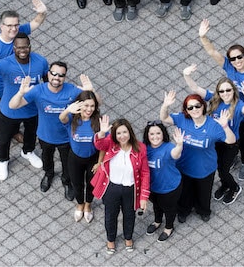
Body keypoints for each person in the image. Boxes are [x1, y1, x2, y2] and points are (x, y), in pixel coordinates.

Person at [0, 0, 48, 160]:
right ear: (2, 26)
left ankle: (14, 133)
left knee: (17, 115)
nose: (14, 28)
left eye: (16, 25)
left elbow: (36, 22)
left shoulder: (19, 35)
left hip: (19, 87)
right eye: (9, 26)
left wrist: (42, 12)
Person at [197, 19, 244, 179]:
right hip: (232, 115)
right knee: (231, 141)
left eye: (239, 57)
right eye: (233, 59)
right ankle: (234, 157)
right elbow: (212, 52)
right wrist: (203, 37)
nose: (237, 61)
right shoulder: (229, 67)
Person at [10, 65, 91, 200]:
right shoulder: (38, 90)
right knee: (46, 158)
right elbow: (12, 106)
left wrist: (91, 91)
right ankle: (49, 174)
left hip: (67, 137)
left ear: (64, 77)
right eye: (54, 74)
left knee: (67, 163)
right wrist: (20, 93)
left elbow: (96, 103)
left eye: (61, 75)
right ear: (48, 74)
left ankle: (66, 181)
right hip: (45, 136)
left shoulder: (72, 91)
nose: (57, 78)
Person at [0, 33, 47, 181]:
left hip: (32, 109)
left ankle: (27, 152)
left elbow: (47, 83)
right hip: (10, 110)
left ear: (30, 47)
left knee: (31, 134)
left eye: (25, 47)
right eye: (19, 47)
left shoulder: (40, 61)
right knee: (4, 139)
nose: (22, 50)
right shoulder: (5, 63)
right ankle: (3, 160)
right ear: (14, 48)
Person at [159, 90, 235, 223]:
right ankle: (184, 210)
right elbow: (164, 119)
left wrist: (225, 126)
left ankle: (204, 210)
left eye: (197, 105)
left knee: (204, 193)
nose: (194, 109)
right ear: (186, 110)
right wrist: (165, 105)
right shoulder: (182, 119)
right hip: (184, 166)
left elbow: (231, 140)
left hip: (205, 169)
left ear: (203, 106)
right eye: (190, 107)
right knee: (185, 192)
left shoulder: (213, 125)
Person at [182, 67, 244, 203]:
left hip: (230, 143)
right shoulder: (214, 100)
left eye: (228, 90)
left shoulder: (238, 105)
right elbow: (196, 88)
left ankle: (234, 187)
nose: (225, 93)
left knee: (223, 170)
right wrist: (186, 75)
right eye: (222, 91)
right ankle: (225, 185)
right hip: (216, 141)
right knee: (217, 166)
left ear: (233, 90)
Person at [92, 116, 150, 255]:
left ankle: (128, 237)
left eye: (124, 132)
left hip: (131, 189)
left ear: (130, 132)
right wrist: (101, 133)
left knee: (130, 215)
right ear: (114, 135)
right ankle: (110, 239)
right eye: (118, 133)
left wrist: (143, 196)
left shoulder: (140, 148)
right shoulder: (110, 143)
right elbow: (99, 145)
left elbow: (145, 173)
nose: (122, 136)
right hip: (112, 187)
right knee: (110, 215)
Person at [59, 90, 101, 223]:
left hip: (92, 158)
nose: (89, 109)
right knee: (77, 184)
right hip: (75, 158)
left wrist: (99, 162)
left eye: (92, 106)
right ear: (79, 105)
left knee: (91, 184)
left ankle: (88, 204)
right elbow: (61, 118)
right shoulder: (72, 119)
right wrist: (67, 110)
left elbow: (103, 146)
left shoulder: (98, 122)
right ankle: (80, 203)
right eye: (86, 105)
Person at [143, 121, 183, 242]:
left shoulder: (168, 147)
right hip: (153, 187)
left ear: (163, 134)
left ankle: (169, 227)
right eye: (152, 134)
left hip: (169, 187)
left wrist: (179, 145)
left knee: (169, 209)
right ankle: (157, 221)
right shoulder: (144, 149)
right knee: (156, 206)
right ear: (147, 135)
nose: (155, 137)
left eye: (158, 133)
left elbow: (175, 154)